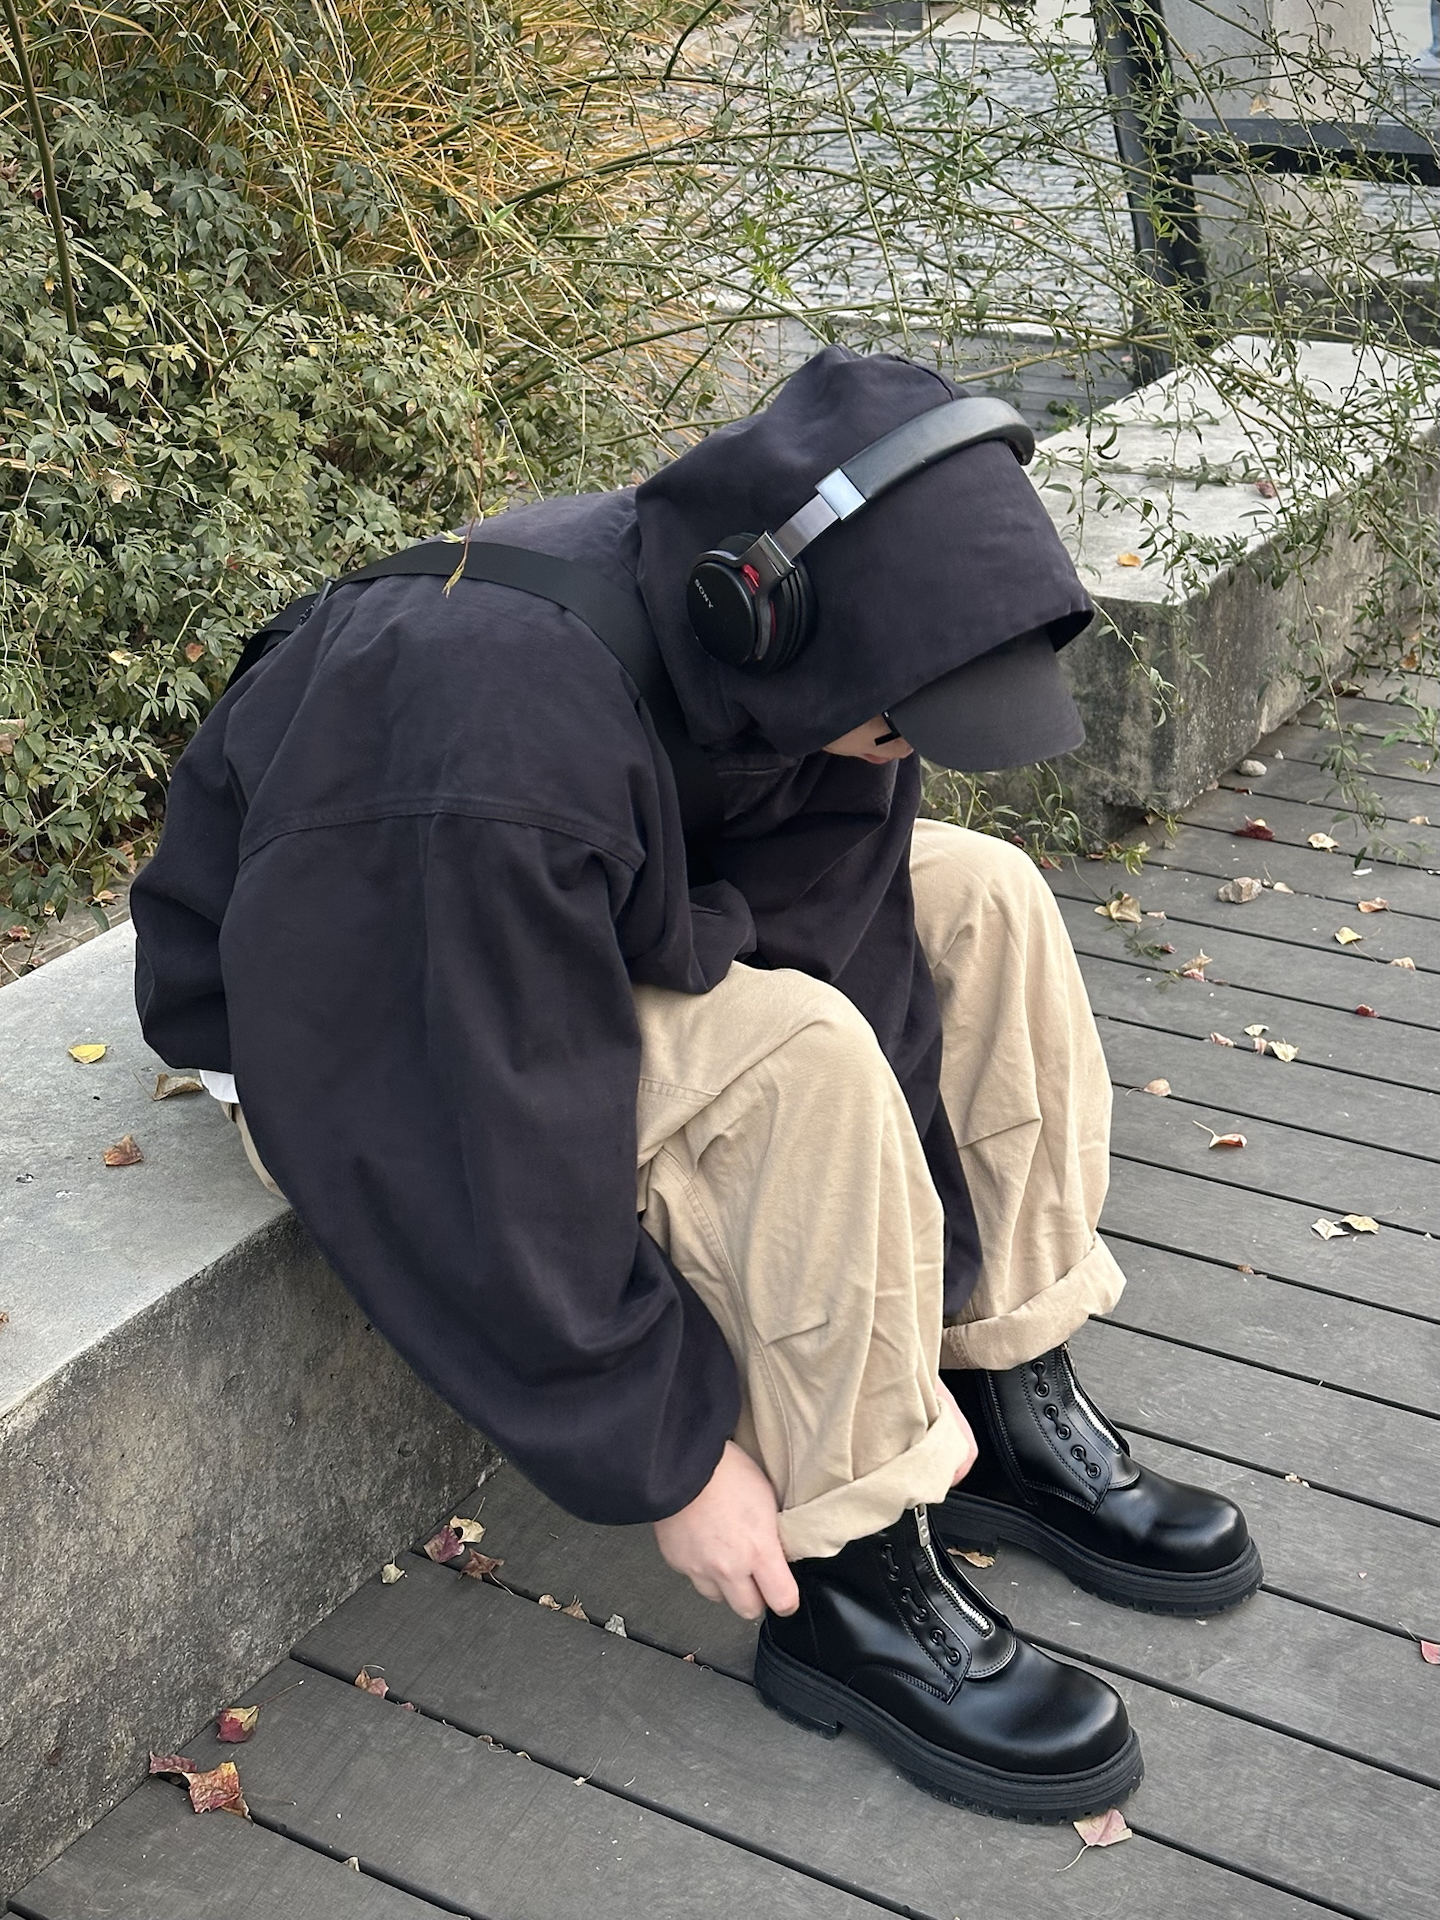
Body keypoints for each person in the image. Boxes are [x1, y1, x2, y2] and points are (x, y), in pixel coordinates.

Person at [130, 347, 1260, 1824]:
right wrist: (666, 1460)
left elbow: (849, 925)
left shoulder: (798, 644)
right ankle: (855, 1574)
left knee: (982, 896)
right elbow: (459, 1140)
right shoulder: (493, 726)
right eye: (900, 720)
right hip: (361, 1014)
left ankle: (997, 1390)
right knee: (793, 1060)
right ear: (765, 610)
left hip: (568, 902)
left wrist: (922, 1295)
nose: (904, 746)